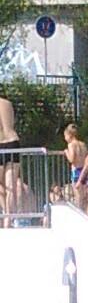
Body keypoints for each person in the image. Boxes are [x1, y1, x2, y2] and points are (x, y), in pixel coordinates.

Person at [0, 95, 22, 225]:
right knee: (11, 185)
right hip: (13, 142)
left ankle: (5, 211)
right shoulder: (7, 103)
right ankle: (9, 216)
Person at [63, 123, 88, 210]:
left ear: (69, 135)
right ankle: (86, 213)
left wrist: (66, 152)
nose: (65, 138)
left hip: (77, 171)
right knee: (85, 196)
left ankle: (79, 212)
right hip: (84, 170)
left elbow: (72, 159)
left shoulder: (71, 145)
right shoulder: (83, 144)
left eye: (65, 136)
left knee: (78, 196)